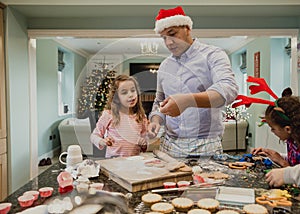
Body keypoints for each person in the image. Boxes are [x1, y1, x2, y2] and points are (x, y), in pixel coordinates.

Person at [148, 6, 239, 158]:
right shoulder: (165, 66)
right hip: (169, 145)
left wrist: (188, 100)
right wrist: (156, 120)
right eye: (164, 38)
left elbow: (228, 89)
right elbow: (159, 101)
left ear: (187, 29)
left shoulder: (213, 55)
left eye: (172, 34)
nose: (169, 43)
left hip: (205, 144)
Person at [90, 75, 148, 158]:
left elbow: (144, 140)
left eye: (133, 90)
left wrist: (144, 144)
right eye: (124, 92)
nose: (131, 95)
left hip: (134, 163)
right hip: (113, 162)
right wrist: (102, 141)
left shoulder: (141, 117)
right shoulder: (109, 115)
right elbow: (94, 136)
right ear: (116, 97)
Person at [252, 93, 300, 167]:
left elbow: (296, 175)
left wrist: (283, 163)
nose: (272, 131)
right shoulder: (292, 140)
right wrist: (273, 155)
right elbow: (294, 161)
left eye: (273, 128)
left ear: (287, 129)